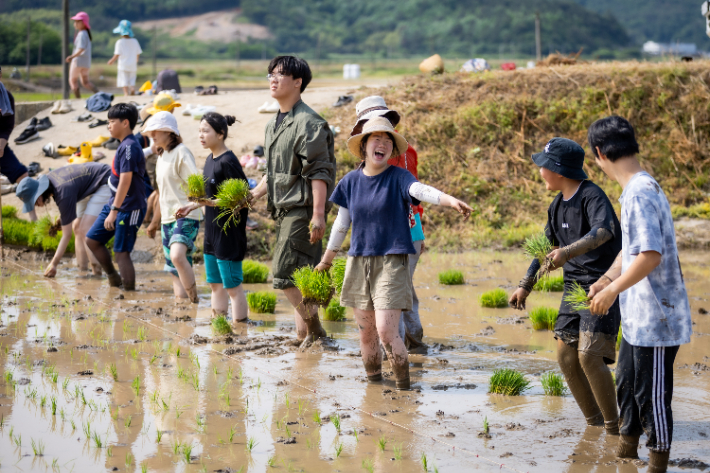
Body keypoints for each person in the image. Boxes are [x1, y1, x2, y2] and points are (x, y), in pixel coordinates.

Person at [315, 117, 472, 390]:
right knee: (366, 335)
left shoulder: (400, 177)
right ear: (364, 146)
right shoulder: (350, 182)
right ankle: (373, 387)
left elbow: (421, 191)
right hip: (358, 262)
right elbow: (342, 224)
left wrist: (449, 200)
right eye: (376, 138)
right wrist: (326, 261)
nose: (383, 144)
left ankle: (403, 387)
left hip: (391, 260)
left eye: (388, 140)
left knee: (387, 332)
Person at [587, 116, 692, 473]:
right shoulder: (634, 189)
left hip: (658, 318)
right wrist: (606, 279)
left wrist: (613, 290)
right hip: (639, 317)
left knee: (652, 398)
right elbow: (632, 250)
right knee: (628, 384)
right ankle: (626, 453)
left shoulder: (641, 192)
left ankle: (657, 464)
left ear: (599, 153)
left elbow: (650, 256)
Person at [509, 137, 621, 435]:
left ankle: (615, 428)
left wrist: (568, 252)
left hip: (601, 285)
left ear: (558, 170)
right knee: (566, 356)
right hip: (573, 287)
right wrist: (525, 285)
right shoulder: (556, 205)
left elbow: (604, 231)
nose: (540, 172)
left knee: (589, 355)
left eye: (543, 167)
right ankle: (594, 423)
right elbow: (546, 246)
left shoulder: (592, 196)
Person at [250, 56, 336, 348]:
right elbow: (271, 173)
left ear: (297, 82)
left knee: (284, 273)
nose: (273, 79)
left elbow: (319, 172)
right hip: (284, 210)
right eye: (270, 75)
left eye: (281, 74)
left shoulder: (309, 123)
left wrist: (318, 215)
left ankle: (317, 332)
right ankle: (306, 337)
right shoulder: (274, 124)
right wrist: (252, 196)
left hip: (302, 210)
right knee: (300, 278)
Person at [351, 95, 427, 353]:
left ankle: (397, 352)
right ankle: (415, 343)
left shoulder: (380, 157)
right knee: (404, 290)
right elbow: (415, 198)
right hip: (411, 229)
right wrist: (420, 230)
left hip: (394, 236)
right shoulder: (406, 152)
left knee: (390, 299)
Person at [176, 112, 250, 325]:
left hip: (228, 233)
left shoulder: (228, 161)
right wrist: (191, 205)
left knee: (233, 287)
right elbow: (210, 197)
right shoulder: (210, 159)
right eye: (199, 131)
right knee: (215, 285)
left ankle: (240, 330)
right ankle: (219, 327)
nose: (201, 135)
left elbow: (243, 199)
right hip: (211, 232)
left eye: (205, 131)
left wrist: (209, 203)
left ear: (220, 134)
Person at [86, 103, 147, 290]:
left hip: (128, 208)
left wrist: (114, 210)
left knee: (121, 253)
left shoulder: (129, 147)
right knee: (92, 240)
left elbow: (125, 181)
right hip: (116, 204)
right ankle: (113, 277)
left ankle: (129, 293)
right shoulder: (123, 146)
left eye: (112, 122)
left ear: (125, 123)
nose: (109, 126)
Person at [142, 111, 202, 302]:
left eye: (156, 130)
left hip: (186, 215)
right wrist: (153, 223)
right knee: (173, 267)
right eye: (150, 131)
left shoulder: (181, 152)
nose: (152, 134)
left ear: (169, 132)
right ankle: (183, 307)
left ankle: (195, 300)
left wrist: (192, 205)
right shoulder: (161, 156)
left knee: (177, 256)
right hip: (167, 218)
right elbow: (163, 195)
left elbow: (197, 184)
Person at [15, 163, 112, 277]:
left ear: (39, 193)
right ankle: (82, 270)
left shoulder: (62, 192)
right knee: (77, 227)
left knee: (85, 229)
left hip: (104, 181)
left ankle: (97, 273)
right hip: (86, 187)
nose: (35, 205)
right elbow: (71, 195)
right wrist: (64, 219)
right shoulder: (50, 182)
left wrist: (54, 263)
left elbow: (66, 235)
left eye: (34, 201)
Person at [0, 65, 38, 222]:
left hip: (0, 144)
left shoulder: (6, 97)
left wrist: (2, 144)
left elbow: (8, 126)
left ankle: (34, 220)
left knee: (22, 176)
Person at [66, 12, 98, 99]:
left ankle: (78, 98)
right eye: (75, 22)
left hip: (78, 61)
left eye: (78, 21)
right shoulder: (86, 33)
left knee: (72, 80)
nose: (75, 24)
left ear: (84, 23)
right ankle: (98, 94)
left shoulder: (81, 34)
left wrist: (72, 56)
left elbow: (81, 49)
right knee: (85, 82)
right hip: (86, 62)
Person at [107, 20, 142, 96]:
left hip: (123, 64)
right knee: (132, 78)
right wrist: (136, 59)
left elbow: (117, 54)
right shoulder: (135, 41)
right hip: (132, 63)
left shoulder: (120, 42)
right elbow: (138, 52)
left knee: (124, 79)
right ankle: (132, 88)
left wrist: (111, 61)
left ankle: (126, 93)